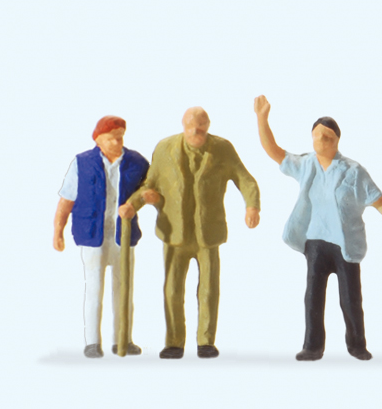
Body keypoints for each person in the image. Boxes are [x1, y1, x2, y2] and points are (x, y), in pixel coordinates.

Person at [253, 94, 382, 361]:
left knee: (350, 298)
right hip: (315, 241)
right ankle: (312, 346)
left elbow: (381, 204)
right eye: (317, 136)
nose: (321, 141)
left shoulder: (353, 171)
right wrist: (262, 119)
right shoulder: (306, 164)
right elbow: (274, 151)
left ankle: (357, 344)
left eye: (327, 137)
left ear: (337, 141)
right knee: (313, 297)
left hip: (345, 244)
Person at [119, 107, 260, 359]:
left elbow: (245, 178)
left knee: (209, 290)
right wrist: (135, 202)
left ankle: (206, 341)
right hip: (175, 232)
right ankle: (174, 342)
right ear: (183, 125)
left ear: (208, 125)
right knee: (172, 289)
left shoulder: (223, 149)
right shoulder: (165, 148)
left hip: (208, 234)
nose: (196, 131)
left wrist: (252, 206)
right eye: (191, 126)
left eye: (201, 126)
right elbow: (149, 184)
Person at [53, 115, 149, 358]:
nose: (117, 142)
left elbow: (151, 189)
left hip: (123, 235)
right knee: (94, 289)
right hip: (92, 234)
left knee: (124, 290)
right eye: (111, 138)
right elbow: (66, 200)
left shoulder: (137, 162)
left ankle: (122, 339)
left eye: (120, 137)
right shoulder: (82, 162)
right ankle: (93, 343)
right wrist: (58, 231)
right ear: (98, 139)